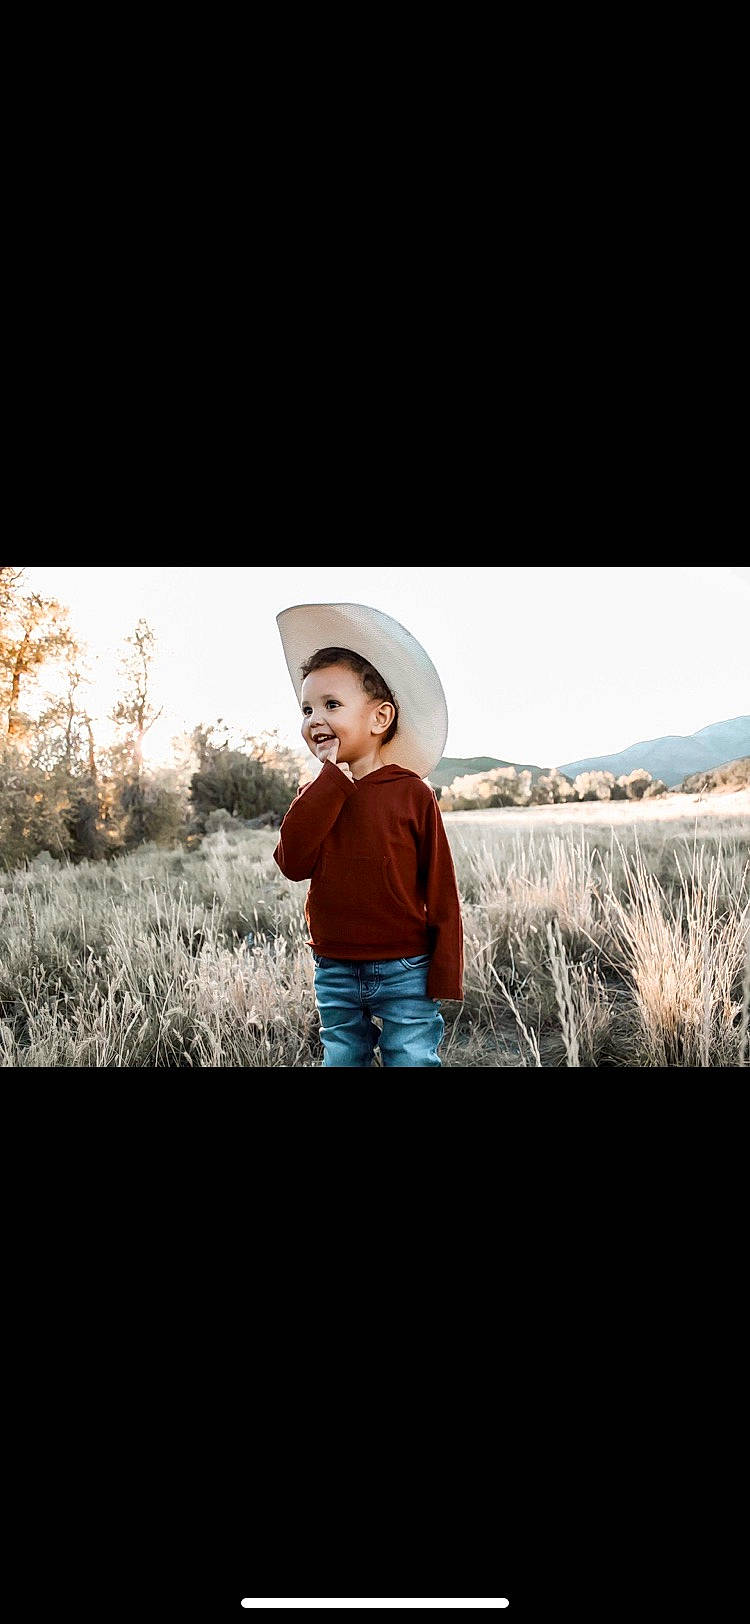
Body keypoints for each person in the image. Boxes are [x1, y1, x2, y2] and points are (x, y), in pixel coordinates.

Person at [273, 601, 464, 1068]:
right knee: (342, 1057)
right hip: (334, 966)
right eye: (306, 708)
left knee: (412, 1058)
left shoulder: (412, 794)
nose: (315, 719)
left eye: (331, 705)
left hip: (406, 968)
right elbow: (292, 862)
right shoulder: (314, 795)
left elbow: (441, 888)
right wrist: (331, 781)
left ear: (380, 719)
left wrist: (444, 971)